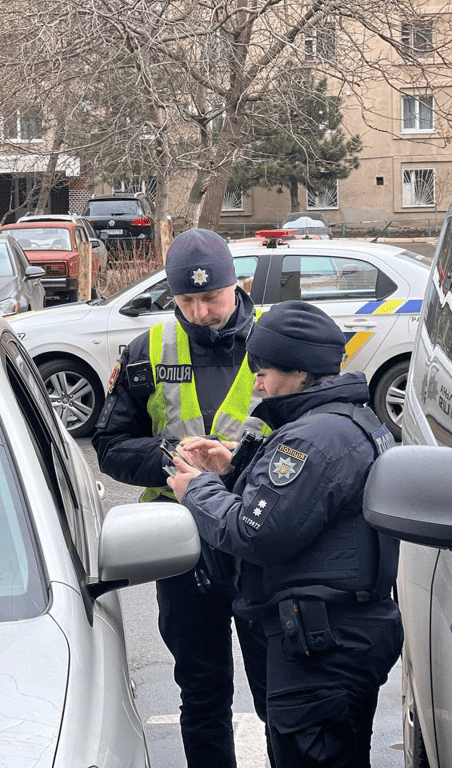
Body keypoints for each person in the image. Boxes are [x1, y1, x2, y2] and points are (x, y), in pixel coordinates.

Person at [164, 300, 403, 767]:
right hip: (338, 637)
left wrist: (198, 489)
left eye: (263, 371)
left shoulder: (312, 440)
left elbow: (258, 534)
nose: (256, 383)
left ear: (299, 371)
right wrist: (236, 468)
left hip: (321, 649)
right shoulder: (347, 420)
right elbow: (308, 506)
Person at [91, 227, 270, 768]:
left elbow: (318, 436)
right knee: (203, 694)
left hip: (262, 541)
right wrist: (170, 457)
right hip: (183, 550)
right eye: (185, 300)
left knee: (278, 694)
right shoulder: (147, 352)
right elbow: (110, 446)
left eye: (209, 297)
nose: (199, 312)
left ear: (236, 285)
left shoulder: (277, 341)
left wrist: (238, 463)